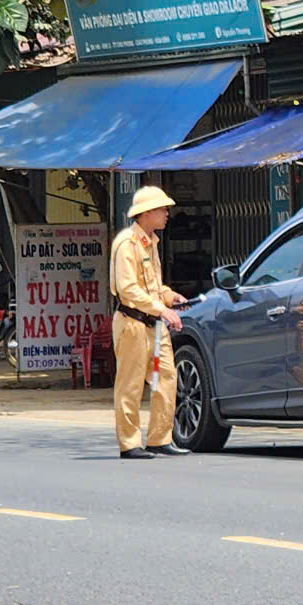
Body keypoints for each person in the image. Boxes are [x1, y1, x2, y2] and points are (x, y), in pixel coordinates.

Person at [110, 185, 192, 460]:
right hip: (132, 324)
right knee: (131, 384)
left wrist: (170, 297)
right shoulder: (126, 243)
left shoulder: (151, 242)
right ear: (146, 214)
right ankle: (130, 443)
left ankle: (160, 438)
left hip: (153, 325)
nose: (167, 214)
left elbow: (154, 287)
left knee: (167, 378)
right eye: (161, 209)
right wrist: (161, 308)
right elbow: (128, 289)